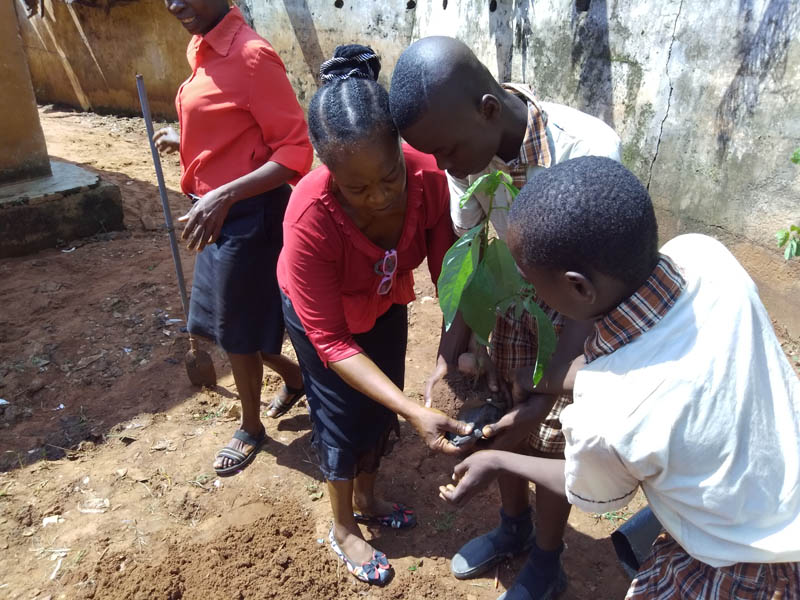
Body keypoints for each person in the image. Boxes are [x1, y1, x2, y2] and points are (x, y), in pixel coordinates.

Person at [440, 156, 800, 600]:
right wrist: (544, 381)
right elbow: (644, 357)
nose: (525, 285)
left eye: (530, 278)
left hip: (737, 568)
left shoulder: (610, 416)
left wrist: (497, 459)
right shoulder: (706, 258)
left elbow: (589, 485)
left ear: (578, 289)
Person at [389, 35, 622, 595]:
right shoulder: (463, 148)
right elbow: (469, 252)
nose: (444, 165)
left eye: (447, 152)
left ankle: (547, 556)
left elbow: (591, 293)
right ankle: (512, 528)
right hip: (509, 309)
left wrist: (545, 392)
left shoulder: (585, 148)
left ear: (489, 110)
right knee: (498, 420)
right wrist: (449, 354)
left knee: (552, 438)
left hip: (573, 319)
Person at [277, 44, 472, 587]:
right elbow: (333, 343)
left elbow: (448, 276)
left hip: (383, 298)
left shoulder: (429, 179)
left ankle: (368, 494)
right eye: (356, 188)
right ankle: (342, 525)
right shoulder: (309, 217)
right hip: (324, 318)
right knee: (341, 414)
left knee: (383, 402)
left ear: (400, 149)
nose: (380, 197)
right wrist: (414, 409)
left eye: (389, 177)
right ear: (328, 172)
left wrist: (447, 358)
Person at [155, 0, 312, 477]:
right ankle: (297, 379)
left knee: (240, 333)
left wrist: (224, 194)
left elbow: (296, 152)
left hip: (249, 216)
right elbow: (232, 120)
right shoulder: (201, 45)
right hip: (219, 215)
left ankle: (250, 427)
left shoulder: (251, 56)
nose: (174, 4)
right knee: (240, 327)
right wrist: (182, 133)